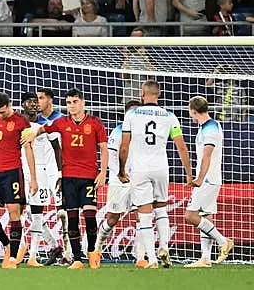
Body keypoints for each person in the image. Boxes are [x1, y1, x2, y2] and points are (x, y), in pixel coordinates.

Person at [23, 88, 108, 269]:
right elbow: (44, 129)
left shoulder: (94, 123)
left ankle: (93, 252)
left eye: (75, 102)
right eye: (68, 103)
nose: (71, 106)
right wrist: (32, 134)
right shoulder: (61, 122)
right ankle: (77, 259)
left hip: (89, 177)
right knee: (72, 218)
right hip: (69, 177)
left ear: (82, 103)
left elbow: (104, 148)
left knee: (90, 217)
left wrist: (103, 172)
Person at [118, 80, 193, 268]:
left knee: (144, 214)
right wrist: (189, 174)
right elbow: (182, 147)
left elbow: (124, 146)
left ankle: (151, 258)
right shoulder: (169, 116)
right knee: (160, 208)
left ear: (142, 93)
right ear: (158, 95)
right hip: (161, 168)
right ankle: (165, 248)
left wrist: (121, 170)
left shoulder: (131, 115)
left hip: (140, 169)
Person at [0, 92, 37, 269]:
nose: (0, 115)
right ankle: (8, 245)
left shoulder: (21, 122)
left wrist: (33, 178)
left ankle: (12, 259)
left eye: (2, 112)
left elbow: (28, 149)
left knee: (14, 213)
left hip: (12, 173)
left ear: (9, 105)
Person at [184, 96, 234, 268]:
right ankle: (205, 258)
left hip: (207, 179)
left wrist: (199, 179)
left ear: (193, 111)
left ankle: (223, 241)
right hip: (211, 178)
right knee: (206, 217)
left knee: (190, 215)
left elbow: (207, 155)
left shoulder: (210, 129)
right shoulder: (211, 125)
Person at [19, 92, 62, 267]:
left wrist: (60, 173)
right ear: (22, 104)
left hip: (41, 171)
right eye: (29, 101)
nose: (33, 104)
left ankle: (33, 255)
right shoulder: (17, 123)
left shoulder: (46, 124)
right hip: (20, 170)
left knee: (36, 212)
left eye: (35, 101)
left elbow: (57, 148)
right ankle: (47, 246)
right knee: (21, 211)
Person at [94, 100, 140, 256]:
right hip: (118, 180)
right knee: (113, 219)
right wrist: (119, 173)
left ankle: (141, 257)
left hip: (138, 179)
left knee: (141, 217)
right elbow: (110, 155)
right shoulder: (118, 131)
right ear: (126, 114)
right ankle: (98, 245)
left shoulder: (142, 132)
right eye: (131, 112)